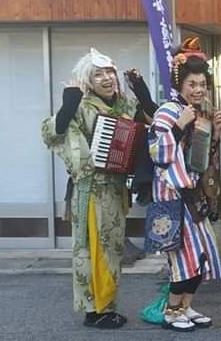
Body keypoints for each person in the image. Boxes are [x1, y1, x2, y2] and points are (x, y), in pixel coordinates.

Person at [41, 48, 156, 329]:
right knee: (93, 249)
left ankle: (105, 304)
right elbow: (52, 132)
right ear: (87, 80)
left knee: (112, 249)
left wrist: (142, 93)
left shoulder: (124, 105)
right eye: (98, 74)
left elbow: (154, 120)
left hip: (116, 190)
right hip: (91, 189)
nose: (106, 79)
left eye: (109, 73)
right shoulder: (82, 105)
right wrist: (69, 104)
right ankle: (96, 310)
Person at [148, 37, 221, 332]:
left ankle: (186, 306)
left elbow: (202, 161)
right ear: (180, 85)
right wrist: (180, 125)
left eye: (202, 84)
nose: (198, 89)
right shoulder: (167, 112)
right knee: (182, 256)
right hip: (173, 197)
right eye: (192, 84)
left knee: (202, 253)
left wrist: (215, 133)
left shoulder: (201, 114)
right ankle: (171, 311)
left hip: (193, 195)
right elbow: (157, 152)